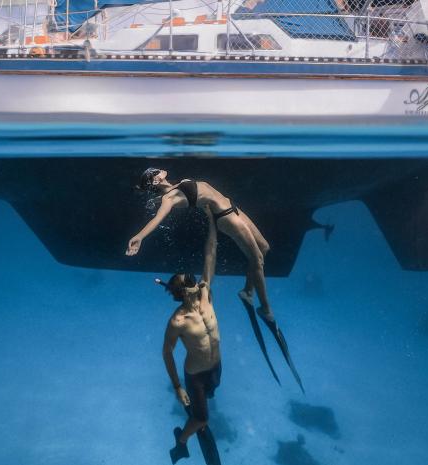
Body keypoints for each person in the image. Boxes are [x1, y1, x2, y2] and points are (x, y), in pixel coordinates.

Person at [127, 168, 304, 391]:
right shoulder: (168, 198)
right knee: (257, 258)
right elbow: (157, 219)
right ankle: (265, 309)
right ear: (155, 179)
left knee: (265, 248)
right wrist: (139, 237)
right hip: (225, 217)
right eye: (155, 171)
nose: (161, 169)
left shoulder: (179, 182)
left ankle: (248, 292)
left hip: (233, 208)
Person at [161, 207, 222, 465]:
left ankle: (199, 411)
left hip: (216, 369)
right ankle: (181, 442)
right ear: (183, 291)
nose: (196, 279)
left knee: (211, 395)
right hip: (195, 375)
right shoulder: (177, 321)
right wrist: (177, 387)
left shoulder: (206, 295)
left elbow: (211, 252)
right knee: (201, 419)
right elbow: (167, 353)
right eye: (190, 280)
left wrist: (212, 221)